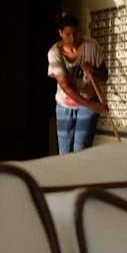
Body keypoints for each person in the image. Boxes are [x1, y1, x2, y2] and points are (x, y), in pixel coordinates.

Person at [47, 11, 108, 154]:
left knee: (81, 150)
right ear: (60, 33)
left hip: (89, 98)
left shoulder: (91, 46)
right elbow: (66, 88)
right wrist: (92, 105)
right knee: (65, 152)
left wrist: (93, 71)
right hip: (65, 103)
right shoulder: (54, 53)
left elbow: (105, 75)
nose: (73, 38)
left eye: (75, 33)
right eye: (68, 34)